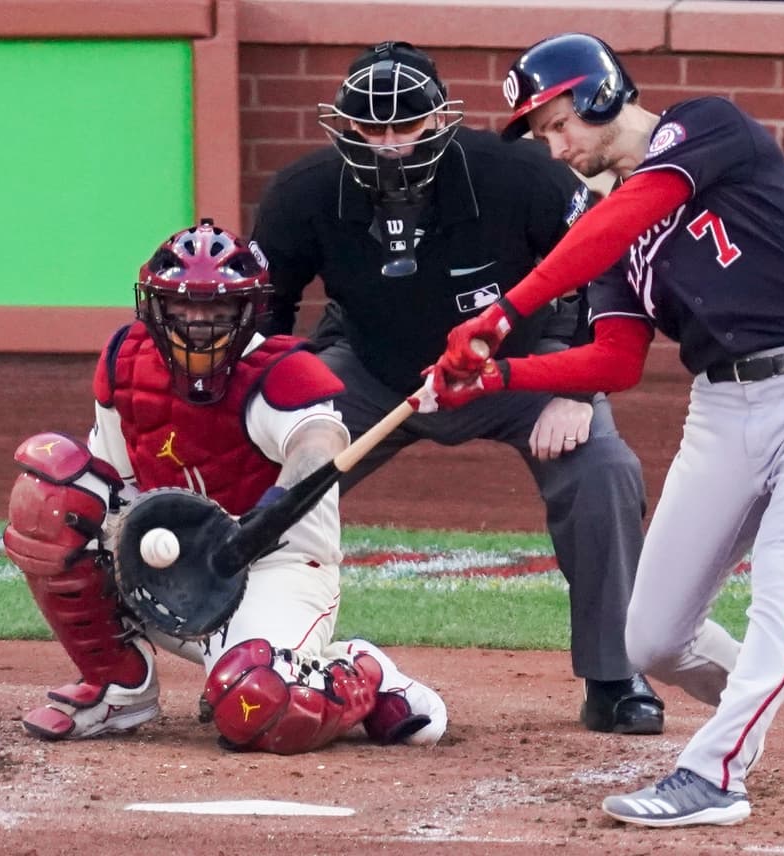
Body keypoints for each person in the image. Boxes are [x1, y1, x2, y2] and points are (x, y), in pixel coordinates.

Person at [428, 33, 784, 826]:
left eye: (557, 123)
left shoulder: (705, 128)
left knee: (781, 594)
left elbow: (636, 211)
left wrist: (505, 314)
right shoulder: (608, 228)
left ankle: (717, 771)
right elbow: (614, 360)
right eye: (542, 135)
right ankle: (752, 706)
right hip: (722, 409)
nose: (555, 147)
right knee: (650, 639)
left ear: (603, 91)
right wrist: (499, 376)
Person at [250, 40, 668, 735]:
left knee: (603, 468)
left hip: (519, 367)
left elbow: (603, 272)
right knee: (266, 463)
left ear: (440, 120)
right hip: (371, 369)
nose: (388, 145)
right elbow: (267, 318)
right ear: (344, 127)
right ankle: (247, 658)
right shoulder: (303, 192)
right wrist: (278, 411)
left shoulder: (518, 172)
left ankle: (613, 673)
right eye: (372, 129)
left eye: (405, 126)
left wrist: (577, 383)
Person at [2, 219, 446, 754]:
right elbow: (110, 480)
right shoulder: (126, 362)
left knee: (254, 703)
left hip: (274, 570)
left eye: (217, 310)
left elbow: (319, 443)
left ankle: (361, 673)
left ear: (248, 311)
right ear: (155, 306)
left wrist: (266, 518)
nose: (198, 324)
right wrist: (118, 540)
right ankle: (119, 687)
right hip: (170, 571)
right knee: (51, 496)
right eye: (184, 307)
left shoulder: (281, 371)